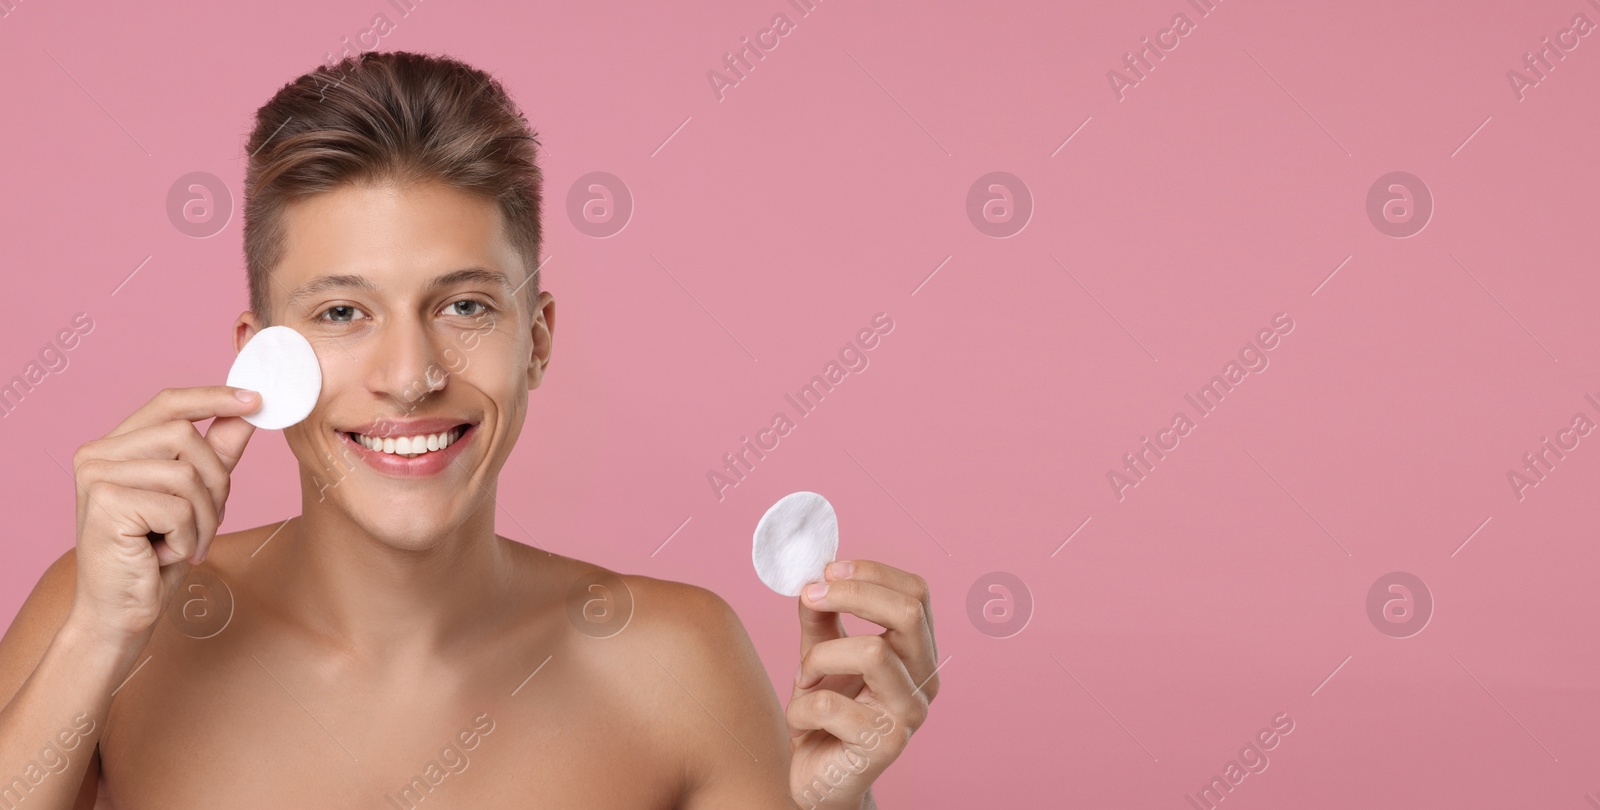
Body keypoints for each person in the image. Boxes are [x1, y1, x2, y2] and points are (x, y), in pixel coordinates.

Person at [0, 51, 939, 808]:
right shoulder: (103, 623)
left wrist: (830, 808)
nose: (410, 376)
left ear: (536, 343)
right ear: (259, 362)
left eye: (463, 306)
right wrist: (98, 639)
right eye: (340, 314)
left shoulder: (679, 669)